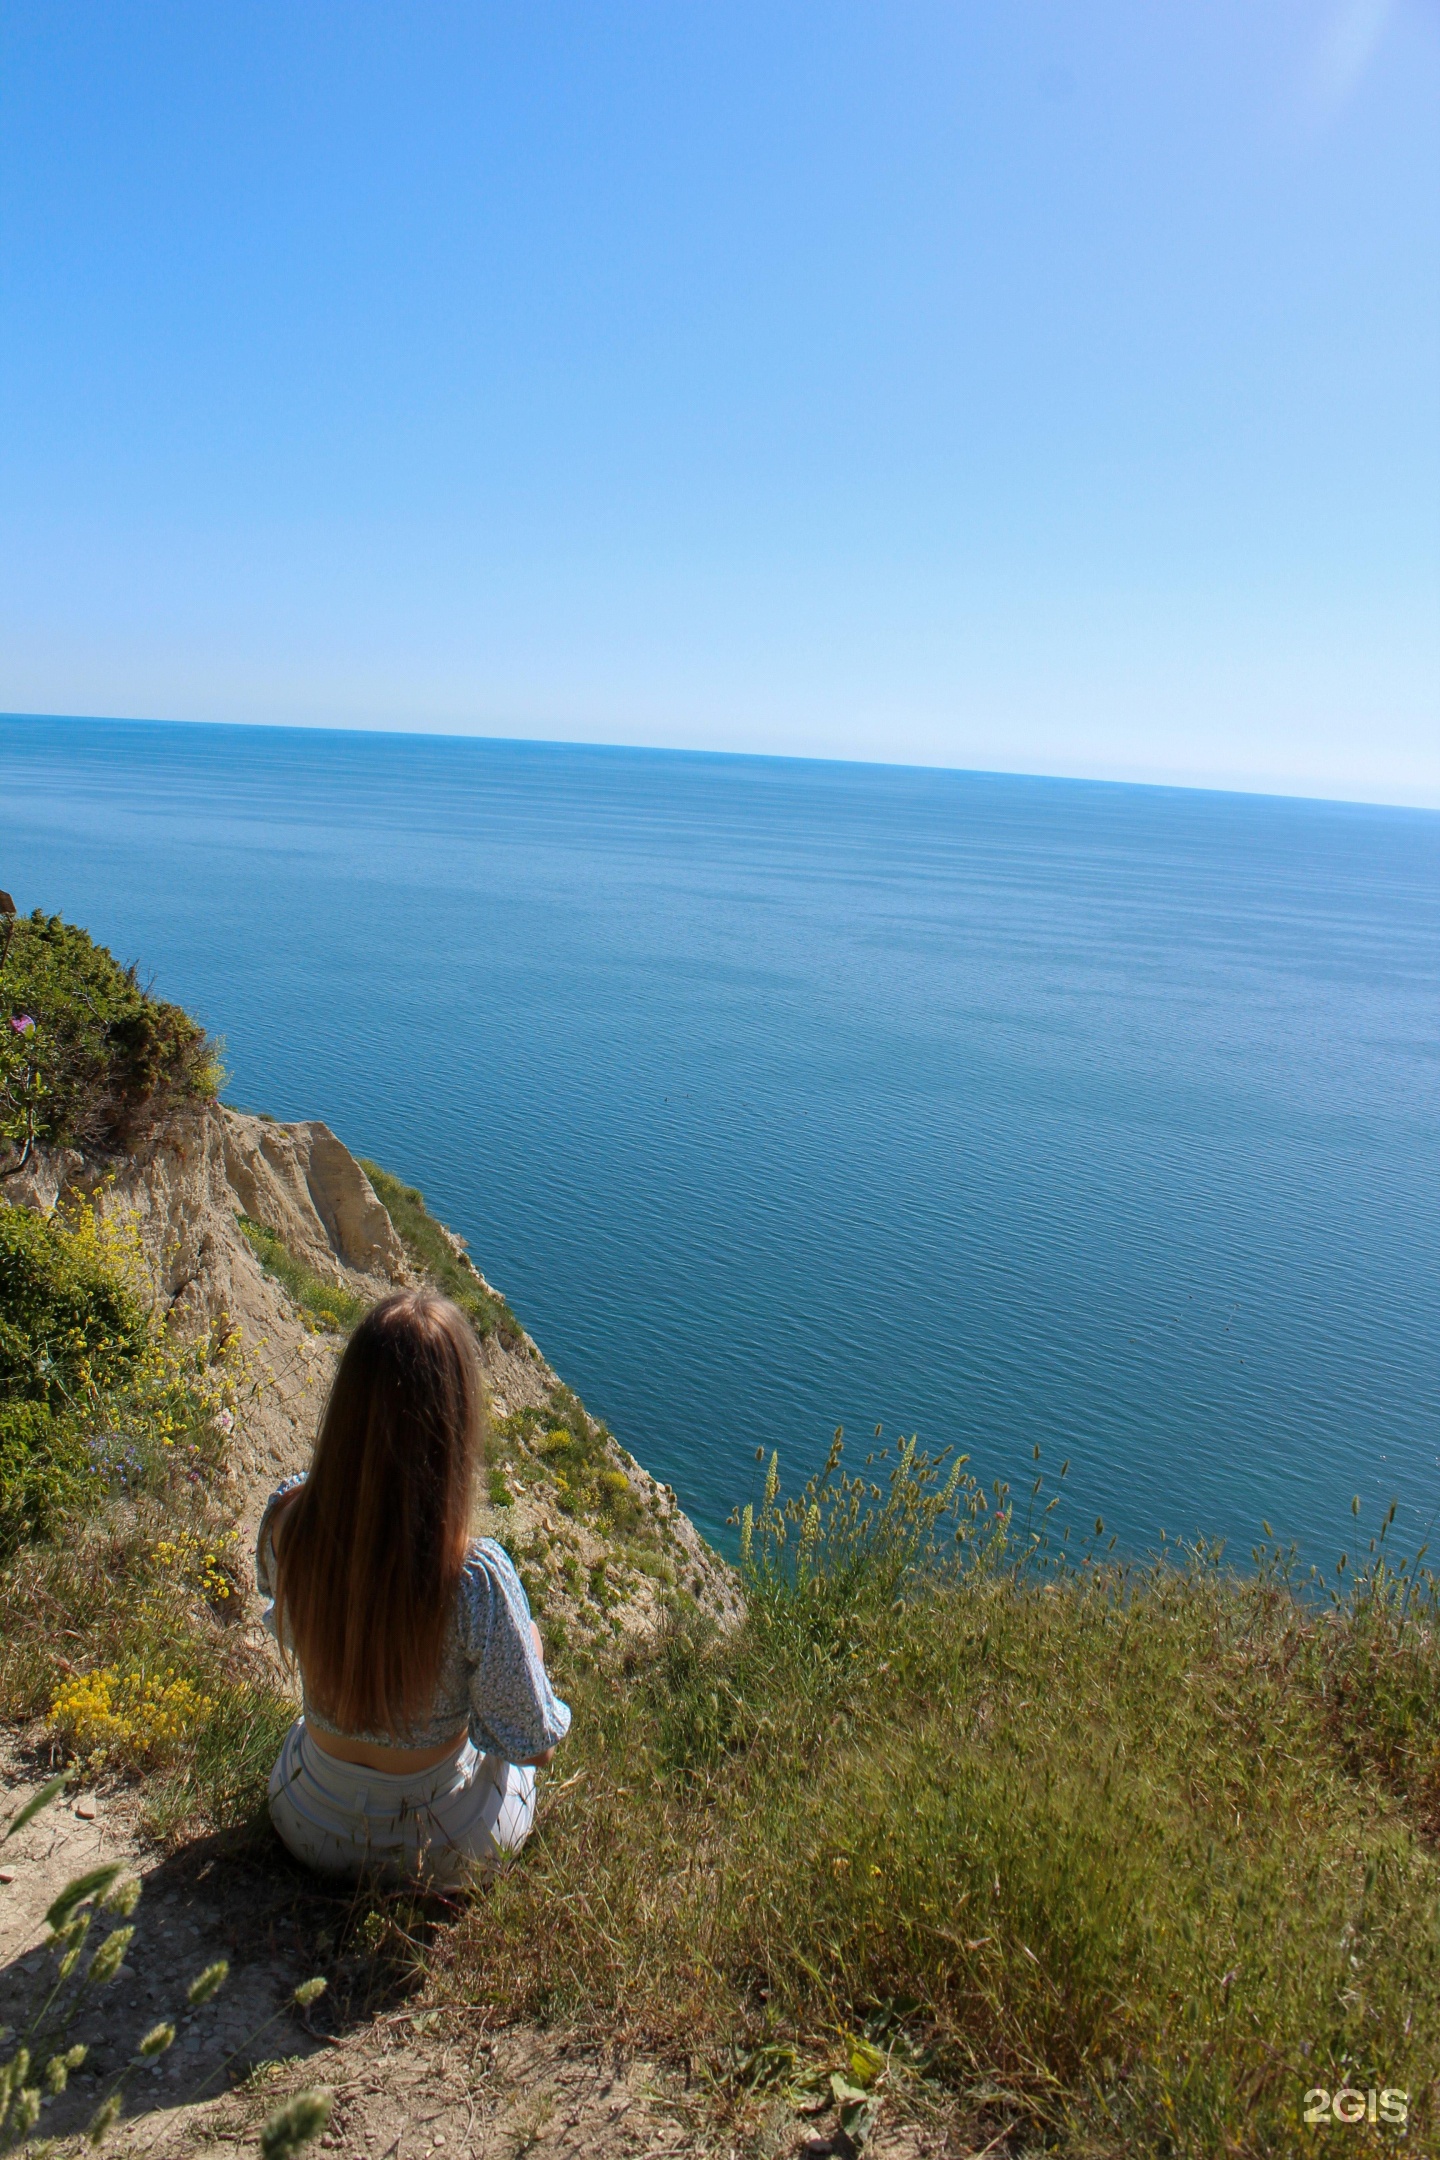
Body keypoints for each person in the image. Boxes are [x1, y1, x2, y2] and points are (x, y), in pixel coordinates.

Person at [256, 1289, 570, 1885]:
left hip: (304, 1815)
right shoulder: (474, 1578)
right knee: (510, 1742)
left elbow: (289, 1625)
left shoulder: (289, 1519)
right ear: (456, 1421)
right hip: (439, 1846)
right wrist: (527, 1645)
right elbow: (534, 1745)